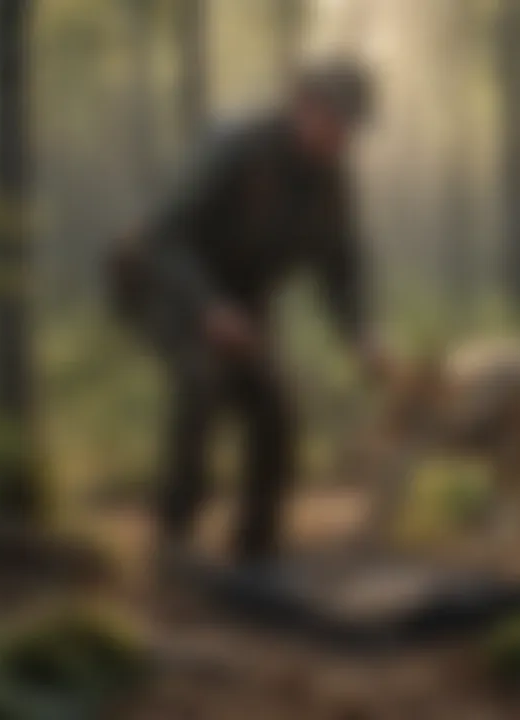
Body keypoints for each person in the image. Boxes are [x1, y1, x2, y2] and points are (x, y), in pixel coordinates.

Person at [111, 59, 388, 566]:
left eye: (352, 126)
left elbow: (340, 265)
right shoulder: (238, 149)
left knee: (274, 411)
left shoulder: (331, 179)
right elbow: (162, 237)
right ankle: (174, 542)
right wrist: (208, 308)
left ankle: (256, 550)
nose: (342, 136)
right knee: (202, 381)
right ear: (302, 106)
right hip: (168, 285)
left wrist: (359, 331)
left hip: (241, 298)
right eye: (335, 120)